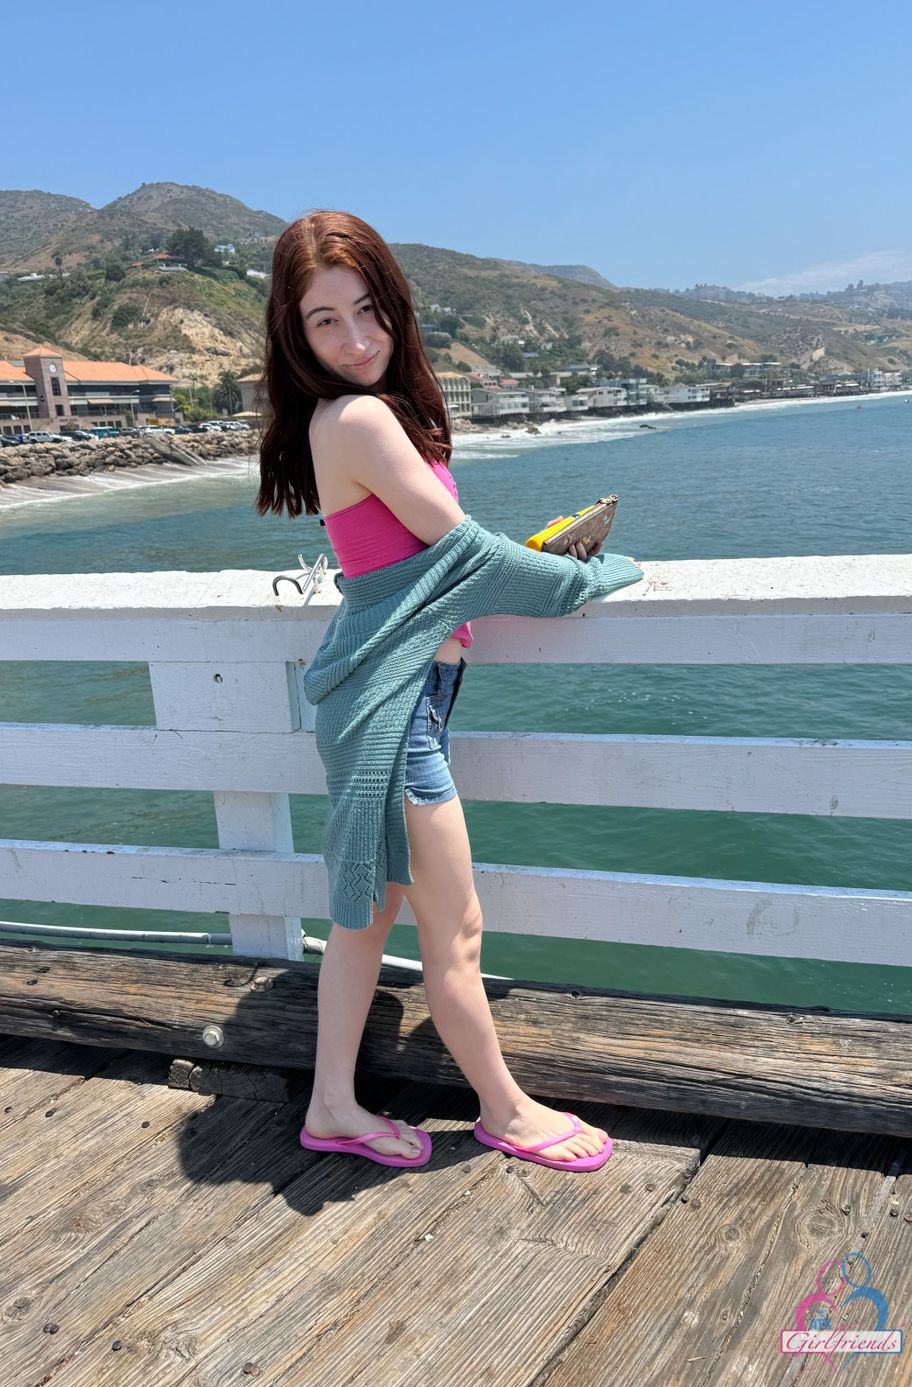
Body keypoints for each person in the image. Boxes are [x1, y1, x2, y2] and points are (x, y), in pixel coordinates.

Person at [255, 210, 638, 1171]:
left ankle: (333, 1108)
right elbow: (466, 556)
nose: (355, 339)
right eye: (325, 321)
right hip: (398, 713)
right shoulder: (358, 418)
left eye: (367, 310)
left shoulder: (345, 417)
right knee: (454, 930)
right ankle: (506, 1112)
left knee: (363, 922)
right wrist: (594, 575)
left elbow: (423, 561)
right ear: (295, 334)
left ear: (394, 305)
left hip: (386, 698)